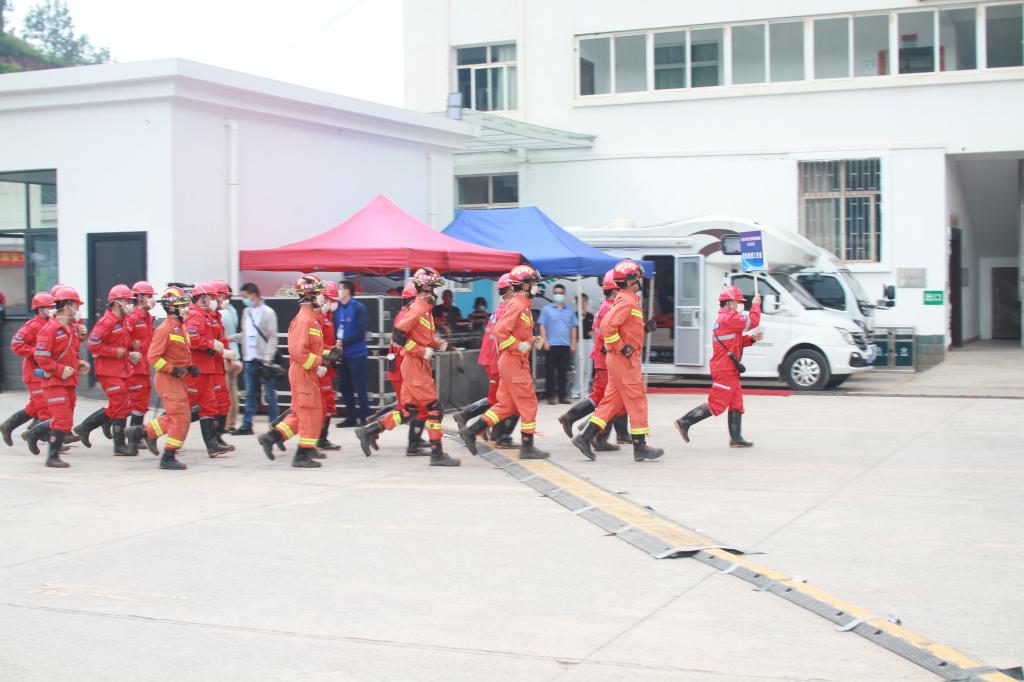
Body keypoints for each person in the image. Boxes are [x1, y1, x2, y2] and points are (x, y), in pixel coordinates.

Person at [355, 267, 459, 467]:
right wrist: (421, 351)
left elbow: (422, 336)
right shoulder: (418, 307)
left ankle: (369, 431)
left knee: (409, 410)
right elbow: (398, 336)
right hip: (414, 365)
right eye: (435, 287)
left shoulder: (425, 308)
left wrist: (438, 344)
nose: (437, 291)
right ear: (426, 288)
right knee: (434, 408)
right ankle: (437, 453)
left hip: (416, 364)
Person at [572, 260, 663, 462]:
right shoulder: (627, 301)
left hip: (619, 360)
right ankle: (640, 447)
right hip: (624, 360)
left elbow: (621, 327)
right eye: (637, 278)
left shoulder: (626, 300)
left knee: (612, 401)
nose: (640, 281)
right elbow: (608, 327)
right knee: (637, 400)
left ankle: (584, 438)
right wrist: (621, 347)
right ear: (630, 281)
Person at [459, 264, 548, 460]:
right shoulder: (518, 305)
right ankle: (527, 447)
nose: (536, 286)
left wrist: (531, 340)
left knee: (506, 405)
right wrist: (518, 346)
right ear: (524, 285)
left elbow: (517, 332)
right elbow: (500, 332)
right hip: (513, 362)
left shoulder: (523, 304)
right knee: (529, 403)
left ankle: (472, 431)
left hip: (514, 361)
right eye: (533, 283)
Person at [258, 274, 339, 468]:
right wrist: (321, 360)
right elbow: (298, 352)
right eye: (319, 294)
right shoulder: (304, 320)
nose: (323, 298)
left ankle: (274, 438)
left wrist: (328, 355)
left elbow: (312, 348)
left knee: (307, 412)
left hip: (307, 372)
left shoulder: (313, 319)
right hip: (303, 373)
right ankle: (301, 455)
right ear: (310, 295)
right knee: (309, 412)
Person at [675, 285, 763, 447]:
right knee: (716, 405)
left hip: (729, 369)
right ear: (729, 302)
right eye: (738, 302)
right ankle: (685, 421)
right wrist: (756, 304)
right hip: (725, 370)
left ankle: (736, 439)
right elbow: (753, 321)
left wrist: (752, 339)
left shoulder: (727, 318)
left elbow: (735, 341)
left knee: (736, 403)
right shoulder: (729, 318)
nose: (739, 305)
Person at [126, 286, 198, 470]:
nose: (187, 309)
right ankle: (168, 456)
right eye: (183, 305)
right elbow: (153, 357)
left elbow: (180, 352)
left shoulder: (180, 327)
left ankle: (143, 432)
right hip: (168, 379)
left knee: (177, 416)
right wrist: (172, 370)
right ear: (172, 308)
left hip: (178, 379)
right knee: (181, 417)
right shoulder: (165, 329)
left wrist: (189, 366)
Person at [558, 270, 626, 452]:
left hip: (602, 358)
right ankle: (593, 433)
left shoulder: (606, 307)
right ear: (615, 290)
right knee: (610, 400)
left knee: (600, 396)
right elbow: (606, 335)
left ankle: (575, 420)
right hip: (607, 359)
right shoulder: (611, 308)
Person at [75, 284, 141, 456]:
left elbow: (121, 343)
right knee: (121, 405)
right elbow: (92, 345)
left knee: (122, 405)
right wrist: (115, 352)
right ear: (116, 303)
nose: (130, 305)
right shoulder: (106, 322)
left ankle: (85, 427)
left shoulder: (123, 322)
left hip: (121, 369)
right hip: (108, 371)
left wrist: (131, 348)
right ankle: (119, 446)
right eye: (127, 301)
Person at [453, 273, 518, 448]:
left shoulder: (501, 309)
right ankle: (497, 434)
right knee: (510, 400)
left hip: (492, 358)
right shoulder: (508, 310)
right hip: (497, 360)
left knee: (496, 398)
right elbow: (502, 340)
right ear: (511, 290)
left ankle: (470, 419)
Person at [32, 285, 90, 468]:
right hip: (54, 382)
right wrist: (58, 370)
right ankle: (52, 455)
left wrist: (80, 363)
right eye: (76, 306)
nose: (78, 310)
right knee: (62, 419)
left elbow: (72, 353)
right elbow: (41, 357)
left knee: (65, 420)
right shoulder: (49, 329)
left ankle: (35, 434)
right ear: (67, 306)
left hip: (69, 382)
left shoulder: (72, 329)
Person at [377, 281, 428, 456]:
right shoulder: (406, 316)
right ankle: (372, 430)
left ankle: (415, 439)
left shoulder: (407, 314)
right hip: (401, 367)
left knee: (414, 407)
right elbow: (403, 342)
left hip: (404, 366)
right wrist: (422, 351)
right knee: (410, 408)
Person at [1, 292, 57, 447]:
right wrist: (35, 352)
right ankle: (53, 441)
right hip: (34, 373)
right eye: (49, 307)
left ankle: (7, 426)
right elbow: (16, 344)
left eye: (53, 307)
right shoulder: (32, 326)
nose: (52, 310)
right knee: (44, 406)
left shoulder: (52, 324)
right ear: (40, 309)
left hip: (46, 372)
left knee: (34, 407)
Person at [184, 283, 232, 457]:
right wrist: (212, 345)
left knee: (210, 406)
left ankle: (213, 444)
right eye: (213, 297)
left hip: (208, 367)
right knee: (183, 408)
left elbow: (218, 339)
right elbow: (194, 339)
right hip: (198, 369)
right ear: (203, 298)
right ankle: (146, 432)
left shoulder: (209, 316)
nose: (218, 301)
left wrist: (226, 353)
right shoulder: (196, 315)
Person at [230, 282, 280, 435]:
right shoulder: (247, 312)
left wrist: (268, 358)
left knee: (270, 395)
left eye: (245, 296)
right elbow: (246, 334)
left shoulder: (268, 313)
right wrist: (231, 338)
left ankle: (274, 425)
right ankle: (247, 425)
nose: (244, 300)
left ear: (254, 295)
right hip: (249, 359)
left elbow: (272, 337)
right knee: (250, 393)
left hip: (264, 360)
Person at [207, 280, 239, 450]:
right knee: (196, 407)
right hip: (205, 369)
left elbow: (222, 340)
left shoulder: (217, 317)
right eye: (224, 297)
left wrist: (228, 356)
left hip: (217, 366)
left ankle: (217, 438)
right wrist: (220, 350)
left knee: (222, 402)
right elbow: (201, 341)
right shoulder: (204, 316)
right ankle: (147, 432)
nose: (226, 300)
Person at [334, 280, 369, 427]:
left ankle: (365, 417)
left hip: (357, 354)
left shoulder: (358, 307)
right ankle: (351, 418)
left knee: (360, 387)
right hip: (342, 355)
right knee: (345, 387)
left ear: (347, 290)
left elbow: (361, 331)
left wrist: (343, 341)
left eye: (340, 288)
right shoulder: (338, 309)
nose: (338, 291)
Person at [537, 283, 577, 405]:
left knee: (563, 372)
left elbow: (573, 327)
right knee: (550, 372)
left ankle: (562, 396)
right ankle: (550, 396)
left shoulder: (569, 310)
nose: (558, 295)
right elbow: (542, 326)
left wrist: (573, 343)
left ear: (564, 294)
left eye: (560, 293)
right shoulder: (546, 309)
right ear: (553, 294)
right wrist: (545, 341)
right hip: (551, 345)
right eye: (556, 293)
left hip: (565, 345)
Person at [127, 281, 157, 430]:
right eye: (148, 296)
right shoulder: (132, 317)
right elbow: (121, 339)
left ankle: (134, 432)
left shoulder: (148, 318)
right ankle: (134, 434)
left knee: (141, 400)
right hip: (134, 367)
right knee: (137, 400)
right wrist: (131, 348)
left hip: (144, 365)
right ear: (139, 297)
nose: (152, 299)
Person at [316, 281, 342, 452]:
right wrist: (331, 350)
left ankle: (322, 437)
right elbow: (316, 344)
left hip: (326, 365)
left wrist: (334, 349)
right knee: (324, 405)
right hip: (319, 366)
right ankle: (320, 439)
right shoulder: (318, 317)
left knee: (328, 404)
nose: (333, 303)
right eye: (331, 300)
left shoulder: (328, 316)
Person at [216, 281, 243, 432]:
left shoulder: (221, 313)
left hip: (225, 356)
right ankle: (232, 422)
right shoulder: (233, 310)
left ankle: (224, 424)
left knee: (224, 393)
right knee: (233, 391)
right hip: (235, 355)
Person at [571, 293, 595, 400]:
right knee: (578, 367)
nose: (582, 303)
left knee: (587, 368)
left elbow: (593, 330)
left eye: (584, 300)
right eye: (580, 301)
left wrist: (592, 332)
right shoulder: (574, 315)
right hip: (578, 342)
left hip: (588, 342)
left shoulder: (590, 316)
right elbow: (574, 329)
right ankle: (575, 390)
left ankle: (584, 391)